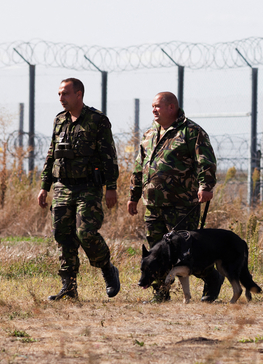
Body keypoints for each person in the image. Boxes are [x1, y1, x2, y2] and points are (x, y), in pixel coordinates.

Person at [128, 92, 223, 302]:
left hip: (181, 204)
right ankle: (161, 293)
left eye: (157, 106)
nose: (153, 110)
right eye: (152, 106)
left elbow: (205, 161)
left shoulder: (191, 131)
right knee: (156, 253)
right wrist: (133, 195)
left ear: (171, 107)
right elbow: (139, 167)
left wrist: (205, 186)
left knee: (185, 253)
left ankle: (212, 277)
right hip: (153, 204)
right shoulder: (149, 134)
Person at [37, 77, 121, 301]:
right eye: (59, 94)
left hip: (88, 187)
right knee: (63, 236)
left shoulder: (96, 120)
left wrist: (110, 187)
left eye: (65, 94)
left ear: (79, 94)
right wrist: (44, 186)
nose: (61, 98)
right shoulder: (59, 120)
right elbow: (51, 154)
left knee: (85, 233)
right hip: (63, 187)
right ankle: (69, 286)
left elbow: (109, 156)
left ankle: (107, 268)